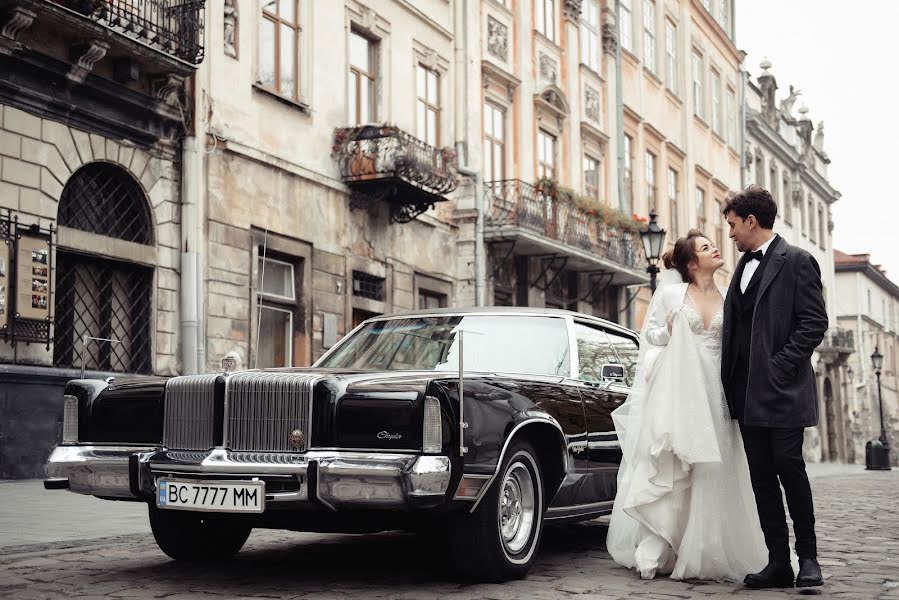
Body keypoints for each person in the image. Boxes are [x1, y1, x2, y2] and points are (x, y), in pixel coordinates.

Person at [607, 229, 768, 581]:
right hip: (681, 390)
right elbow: (650, 338)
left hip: (718, 393)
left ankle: (707, 547)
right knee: (677, 463)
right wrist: (666, 330)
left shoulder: (729, 296)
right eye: (706, 247)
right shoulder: (670, 294)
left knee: (714, 468)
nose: (715, 248)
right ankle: (659, 545)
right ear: (693, 263)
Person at [720, 185, 828, 589]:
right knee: (761, 479)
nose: (729, 234)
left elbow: (814, 322)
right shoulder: (741, 269)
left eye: (732, 225)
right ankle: (778, 562)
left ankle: (810, 559)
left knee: (790, 469)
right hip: (745, 395)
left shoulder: (798, 261)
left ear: (751, 221)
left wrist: (781, 365)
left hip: (782, 391)